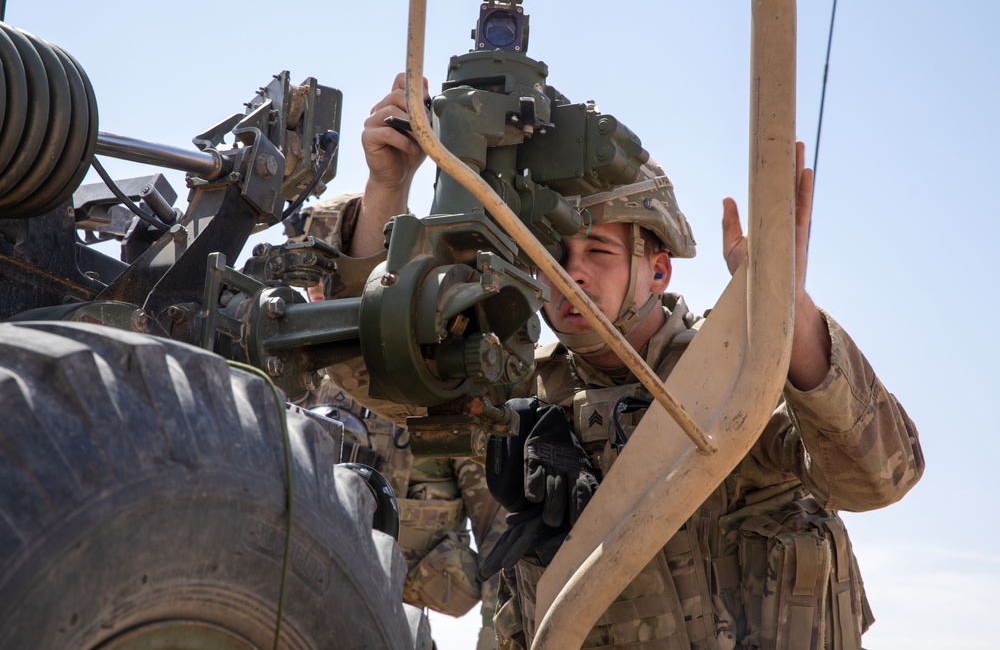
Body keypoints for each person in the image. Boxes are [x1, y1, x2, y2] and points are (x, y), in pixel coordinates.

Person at [321, 73, 925, 650]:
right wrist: (387, 190)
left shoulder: (733, 374)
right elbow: (379, 377)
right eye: (551, 250)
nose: (570, 271)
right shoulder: (517, 382)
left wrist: (783, 309)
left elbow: (877, 476)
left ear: (657, 269)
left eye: (598, 249)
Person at [285, 191, 507, 650]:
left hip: (389, 622)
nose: (324, 290)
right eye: (317, 276)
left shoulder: (432, 376)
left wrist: (496, 637)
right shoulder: (290, 376)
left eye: (341, 273)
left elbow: (497, 529)